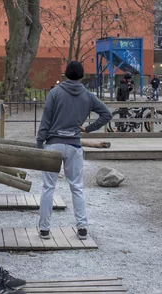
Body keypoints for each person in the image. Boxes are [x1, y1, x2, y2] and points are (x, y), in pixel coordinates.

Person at [36, 61, 112, 240]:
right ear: (82, 76)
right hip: (74, 145)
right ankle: (83, 228)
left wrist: (39, 145)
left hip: (53, 144)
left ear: (65, 74)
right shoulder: (88, 96)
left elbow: (45, 122)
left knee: (48, 187)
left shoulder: (54, 93)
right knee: (77, 187)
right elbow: (107, 114)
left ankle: (45, 229)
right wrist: (89, 128)